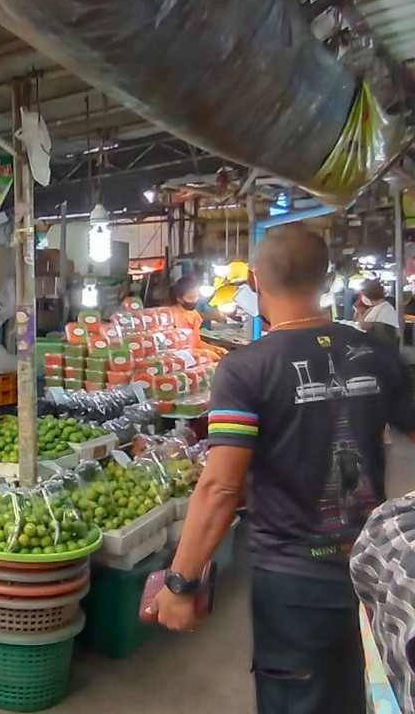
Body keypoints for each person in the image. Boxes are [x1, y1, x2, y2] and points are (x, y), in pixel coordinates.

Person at [149, 224, 415, 714]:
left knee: (297, 700)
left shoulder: (246, 368)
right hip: (371, 574)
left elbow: (222, 486)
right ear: (327, 278)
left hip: (292, 585)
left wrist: (180, 581)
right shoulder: (377, 355)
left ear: (254, 280)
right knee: (354, 695)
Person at [354, 279, 398, 343]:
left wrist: (361, 322)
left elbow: (379, 330)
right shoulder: (376, 308)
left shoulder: (385, 310)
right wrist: (360, 317)